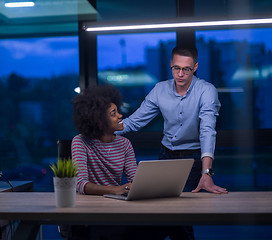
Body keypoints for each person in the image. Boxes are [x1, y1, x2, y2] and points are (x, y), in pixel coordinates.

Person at [116, 45, 228, 239]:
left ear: (195, 67)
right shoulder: (160, 89)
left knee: (179, 216)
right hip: (166, 156)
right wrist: (102, 130)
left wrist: (206, 171)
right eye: (176, 68)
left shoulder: (206, 91)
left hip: (192, 159)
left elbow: (207, 131)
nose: (181, 74)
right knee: (163, 212)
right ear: (171, 66)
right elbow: (134, 122)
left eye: (186, 69)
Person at [70, 84, 172, 240]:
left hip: (116, 208)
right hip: (90, 211)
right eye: (113, 113)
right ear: (98, 119)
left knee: (167, 224)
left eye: (117, 111)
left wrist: (152, 184)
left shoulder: (124, 144)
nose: (120, 116)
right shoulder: (80, 142)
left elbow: (136, 178)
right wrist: (115, 190)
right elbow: (81, 184)